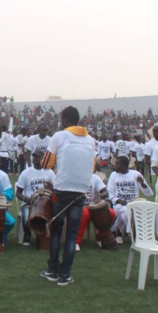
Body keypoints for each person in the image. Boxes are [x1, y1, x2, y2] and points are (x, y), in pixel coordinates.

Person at [39, 106, 95, 286]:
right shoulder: (90, 140)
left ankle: (52, 270)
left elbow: (46, 164)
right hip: (80, 192)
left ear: (65, 121)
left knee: (56, 232)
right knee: (71, 235)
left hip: (62, 190)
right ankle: (65, 275)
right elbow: (92, 167)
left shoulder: (59, 136)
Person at [107, 156, 154, 244]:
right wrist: (118, 200)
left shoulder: (135, 174)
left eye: (117, 164)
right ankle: (135, 234)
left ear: (124, 165)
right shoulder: (113, 175)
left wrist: (142, 183)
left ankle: (118, 232)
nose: (115, 166)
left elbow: (149, 193)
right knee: (126, 211)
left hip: (134, 203)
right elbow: (109, 192)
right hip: (119, 204)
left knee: (129, 211)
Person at [15, 150, 55, 246]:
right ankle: (27, 235)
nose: (35, 159)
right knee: (26, 217)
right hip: (30, 202)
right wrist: (26, 199)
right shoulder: (26, 173)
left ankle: (42, 235)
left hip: (45, 203)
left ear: (44, 159)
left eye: (38, 157)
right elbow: (18, 193)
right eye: (34, 157)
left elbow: (55, 189)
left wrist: (50, 189)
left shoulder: (49, 172)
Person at [75, 173, 113, 251]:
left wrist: (100, 196)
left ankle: (100, 237)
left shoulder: (94, 178)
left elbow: (106, 192)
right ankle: (76, 242)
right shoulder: (75, 177)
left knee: (111, 213)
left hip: (92, 207)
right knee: (85, 213)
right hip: (78, 206)